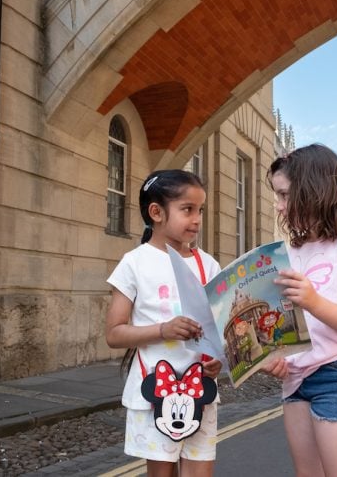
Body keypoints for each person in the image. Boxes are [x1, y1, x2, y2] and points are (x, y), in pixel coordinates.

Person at [263, 144, 337, 477]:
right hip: (296, 378)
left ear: (312, 192)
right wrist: (274, 357)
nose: (279, 206)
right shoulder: (290, 252)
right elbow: (290, 326)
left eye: (285, 195)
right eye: (277, 196)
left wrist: (314, 301)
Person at [105, 170, 222, 477]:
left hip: (201, 394)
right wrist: (162, 330)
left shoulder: (208, 265)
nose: (196, 219)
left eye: (200, 210)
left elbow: (219, 331)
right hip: (153, 393)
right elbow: (114, 333)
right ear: (156, 212)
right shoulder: (134, 262)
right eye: (187, 209)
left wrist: (218, 361)